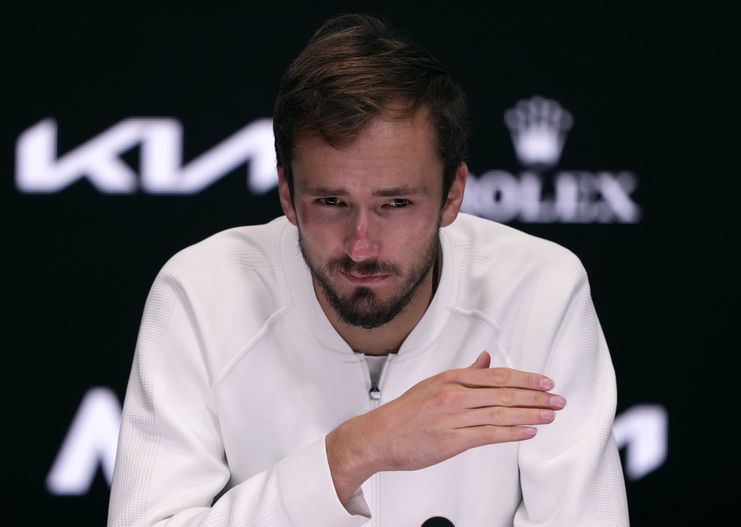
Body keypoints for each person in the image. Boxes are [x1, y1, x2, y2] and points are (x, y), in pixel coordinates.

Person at [107, 12, 629, 527]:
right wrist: (355, 451)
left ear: (453, 196)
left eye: (396, 203)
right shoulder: (201, 292)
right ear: (287, 194)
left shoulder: (540, 291)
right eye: (332, 201)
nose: (361, 246)